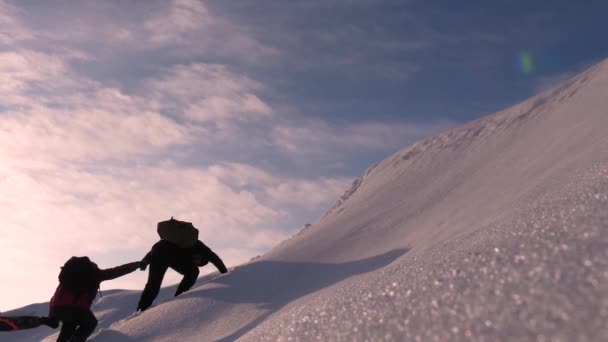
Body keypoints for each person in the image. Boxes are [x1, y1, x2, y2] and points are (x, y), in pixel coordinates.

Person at [49, 257, 142, 342]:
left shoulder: (68, 275)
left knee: (69, 326)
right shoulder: (94, 274)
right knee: (90, 323)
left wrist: (52, 313)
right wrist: (137, 264)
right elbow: (117, 271)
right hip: (77, 309)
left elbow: (55, 295)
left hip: (58, 307)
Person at [136, 239, 228, 312]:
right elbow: (216, 259)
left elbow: (158, 247)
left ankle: (141, 309)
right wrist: (226, 273)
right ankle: (179, 297)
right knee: (193, 271)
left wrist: (145, 260)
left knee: (153, 285)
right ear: (201, 257)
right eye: (198, 261)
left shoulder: (188, 242)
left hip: (160, 251)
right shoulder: (201, 247)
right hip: (163, 253)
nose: (196, 262)